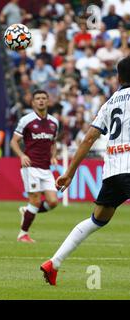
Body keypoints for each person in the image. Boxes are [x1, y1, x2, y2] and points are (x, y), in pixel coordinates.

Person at [40, 56, 130, 286]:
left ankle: (54, 263)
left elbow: (89, 138)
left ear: (118, 78)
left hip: (113, 170)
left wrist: (69, 172)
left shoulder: (110, 102)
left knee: (98, 219)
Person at [10, 90, 59, 243]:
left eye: (44, 98)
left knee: (53, 202)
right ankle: (23, 234)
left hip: (45, 168)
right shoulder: (27, 120)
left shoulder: (54, 122)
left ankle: (28, 211)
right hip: (30, 166)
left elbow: (54, 142)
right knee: (35, 200)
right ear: (33, 102)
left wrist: (53, 156)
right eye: (37, 98)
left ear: (48, 101)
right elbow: (13, 141)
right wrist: (22, 155)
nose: (41, 101)